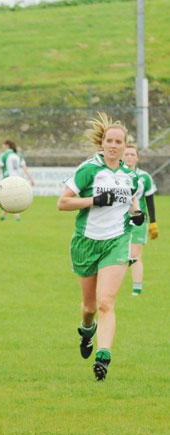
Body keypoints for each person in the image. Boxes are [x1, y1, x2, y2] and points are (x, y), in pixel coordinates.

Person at [57, 112, 144, 381]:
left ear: (125, 146)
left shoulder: (132, 178)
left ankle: (103, 357)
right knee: (89, 307)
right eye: (109, 140)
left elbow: (133, 204)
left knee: (106, 303)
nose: (114, 145)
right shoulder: (89, 169)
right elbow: (63, 203)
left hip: (117, 242)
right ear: (103, 143)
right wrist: (94, 200)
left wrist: (137, 214)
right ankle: (86, 330)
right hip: (86, 242)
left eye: (119, 142)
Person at [122, 144, 159, 295]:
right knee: (118, 254)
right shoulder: (116, 175)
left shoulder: (144, 177)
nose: (129, 157)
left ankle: (136, 289)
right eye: (126, 154)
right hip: (118, 220)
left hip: (139, 220)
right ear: (122, 156)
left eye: (132, 154)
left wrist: (153, 222)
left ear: (137, 157)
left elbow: (150, 201)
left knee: (135, 255)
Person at [0, 139, 35, 221]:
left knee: (9, 197)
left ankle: (16, 216)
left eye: (3, 145)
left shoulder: (4, 155)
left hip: (7, 180)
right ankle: (4, 216)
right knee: (12, 197)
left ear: (7, 145)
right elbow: (25, 168)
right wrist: (31, 179)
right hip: (17, 180)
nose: (2, 146)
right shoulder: (18, 155)